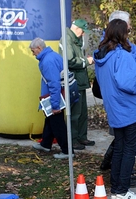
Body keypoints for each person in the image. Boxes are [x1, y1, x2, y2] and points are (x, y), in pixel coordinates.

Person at [94, 19, 136, 199]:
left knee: (119, 149)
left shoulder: (101, 56)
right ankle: (122, 191)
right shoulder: (122, 56)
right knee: (129, 151)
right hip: (128, 108)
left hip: (114, 107)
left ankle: (117, 190)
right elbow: (126, 83)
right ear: (124, 34)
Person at [30, 38, 72, 159]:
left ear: (39, 48)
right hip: (59, 95)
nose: (33, 54)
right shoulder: (53, 55)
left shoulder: (47, 61)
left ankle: (67, 150)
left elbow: (54, 84)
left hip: (54, 97)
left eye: (33, 51)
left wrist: (55, 105)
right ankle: (45, 144)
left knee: (57, 123)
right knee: (50, 120)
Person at [59, 19, 95, 151]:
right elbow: (69, 61)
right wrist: (87, 61)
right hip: (73, 82)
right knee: (75, 112)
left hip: (81, 81)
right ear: (77, 29)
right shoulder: (67, 40)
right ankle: (73, 139)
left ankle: (82, 136)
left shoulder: (76, 40)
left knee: (83, 111)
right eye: (83, 31)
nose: (84, 34)